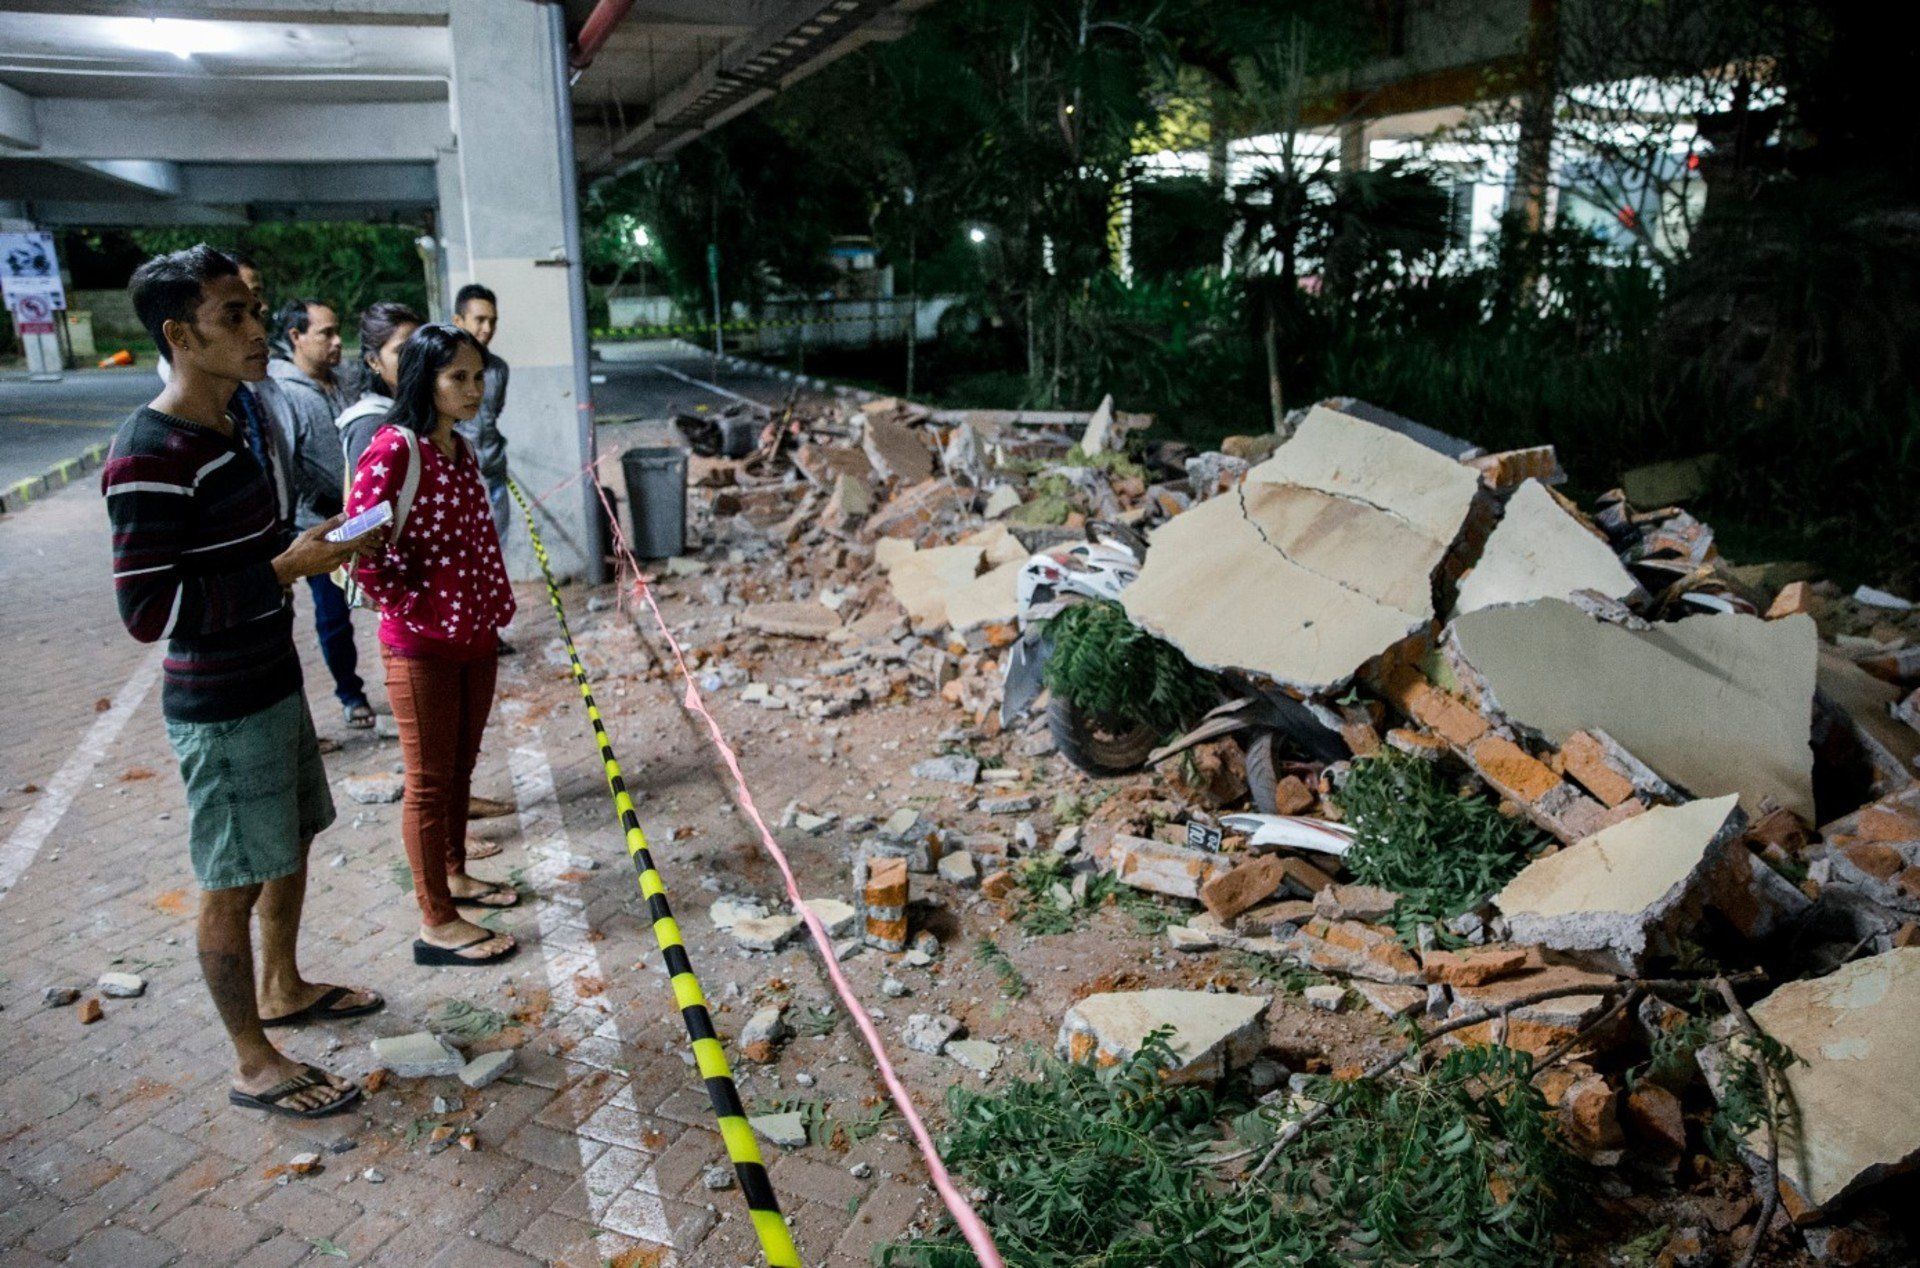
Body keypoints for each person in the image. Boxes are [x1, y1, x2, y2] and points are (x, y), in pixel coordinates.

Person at [103, 245, 384, 1119]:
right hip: (219, 707)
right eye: (235, 317)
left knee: (291, 840)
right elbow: (148, 611)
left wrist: (323, 537)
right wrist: (283, 570)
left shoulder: (244, 418)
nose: (259, 328)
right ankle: (252, 1060)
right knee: (232, 877)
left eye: (255, 310)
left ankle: (284, 987)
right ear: (181, 335)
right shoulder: (146, 453)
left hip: (272, 677)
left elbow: (258, 548)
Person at [345, 323, 521, 966]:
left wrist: (484, 608)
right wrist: (407, 599)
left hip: (476, 635)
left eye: (478, 377)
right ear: (426, 381)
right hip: (420, 645)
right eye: (458, 378)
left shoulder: (461, 450)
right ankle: (436, 922)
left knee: (460, 768)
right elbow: (358, 541)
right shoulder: (395, 449)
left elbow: (478, 540)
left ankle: (455, 873)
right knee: (426, 782)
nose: (474, 389)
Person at [262, 298, 371, 729]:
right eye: (325, 333)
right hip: (319, 527)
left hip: (357, 517)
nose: (337, 341)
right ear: (296, 337)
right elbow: (290, 466)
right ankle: (350, 693)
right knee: (334, 616)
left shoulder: (342, 382)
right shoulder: (284, 393)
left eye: (337, 330)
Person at [448, 284, 511, 541]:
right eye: (480, 320)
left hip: (493, 474)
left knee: (495, 552)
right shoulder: (442, 369)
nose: (487, 329)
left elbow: (493, 414)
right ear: (458, 321)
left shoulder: (498, 369)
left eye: (492, 321)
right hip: (456, 479)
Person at [336, 301, 422, 478]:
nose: (416, 358)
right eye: (402, 350)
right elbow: (371, 503)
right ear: (373, 361)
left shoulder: (419, 411)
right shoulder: (369, 424)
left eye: (420, 348)